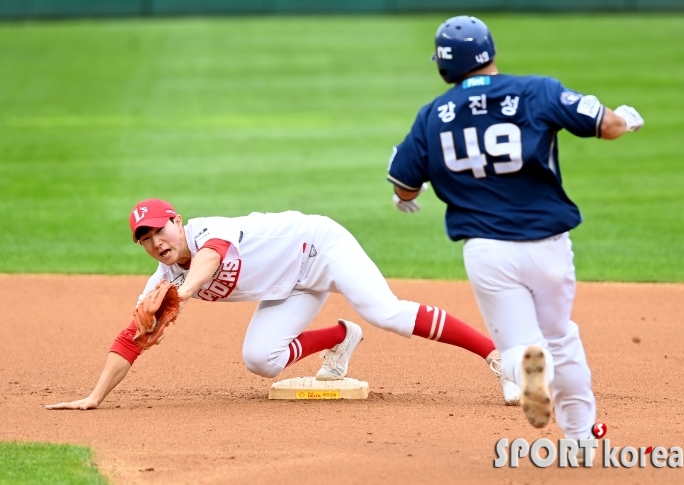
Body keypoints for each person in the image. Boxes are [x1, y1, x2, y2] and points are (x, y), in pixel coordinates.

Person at [386, 15, 643, 458]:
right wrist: (627, 119)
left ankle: (526, 373)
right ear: (491, 53)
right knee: (561, 337)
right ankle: (580, 441)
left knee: (516, 347)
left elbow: (404, 184)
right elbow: (607, 125)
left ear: (444, 67)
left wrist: (408, 193)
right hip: (548, 247)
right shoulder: (535, 90)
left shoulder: (433, 116)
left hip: (487, 252)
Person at [46, 198, 520, 410]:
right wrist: (94, 397)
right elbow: (131, 337)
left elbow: (212, 258)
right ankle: (341, 337)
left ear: (177, 221)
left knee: (386, 312)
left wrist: (182, 293)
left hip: (320, 247)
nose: (155, 241)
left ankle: (495, 357)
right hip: (291, 287)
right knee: (260, 359)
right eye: (144, 239)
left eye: (159, 229)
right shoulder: (162, 279)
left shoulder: (208, 231)